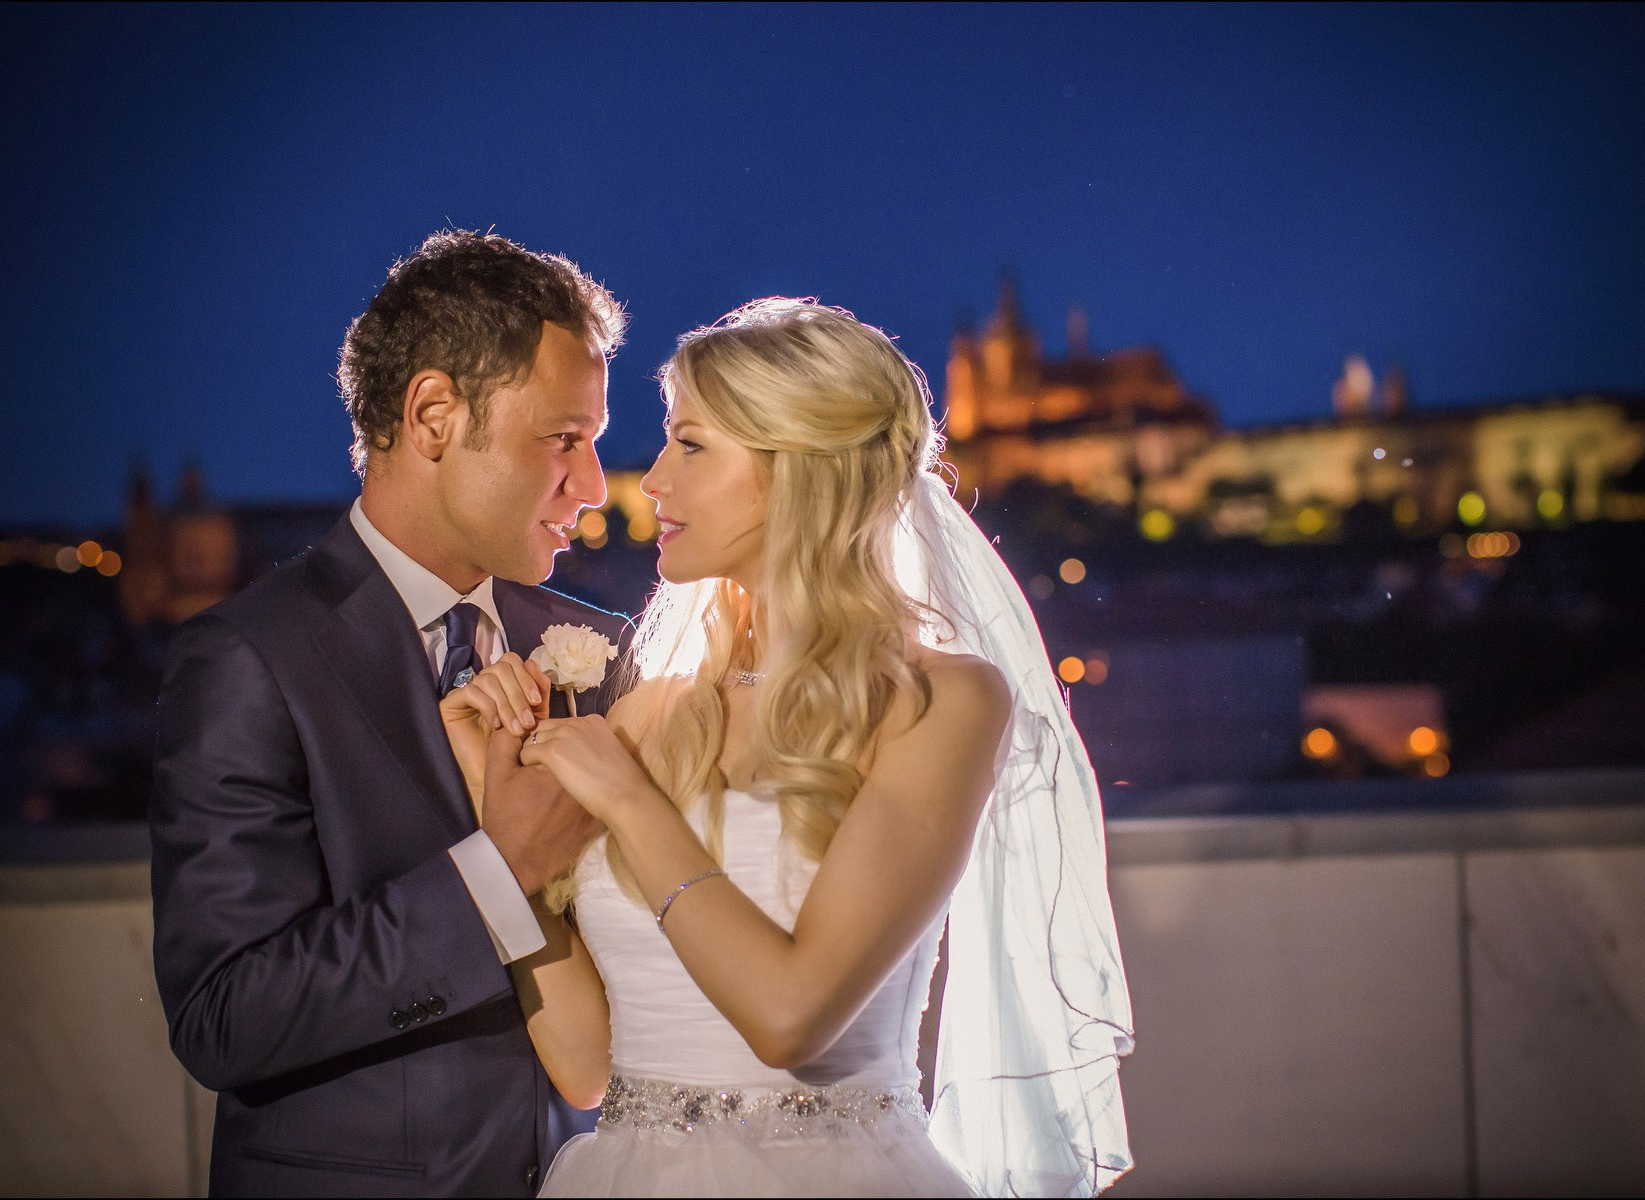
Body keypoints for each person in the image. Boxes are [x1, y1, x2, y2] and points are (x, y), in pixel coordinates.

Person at [440, 299, 1134, 1197]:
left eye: (691, 446)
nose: (652, 481)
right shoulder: (651, 715)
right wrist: (489, 803)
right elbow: (585, 1065)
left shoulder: (941, 703)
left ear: (797, 471)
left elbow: (789, 1018)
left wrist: (631, 802)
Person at [150, 230, 631, 1196]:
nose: (590, 488)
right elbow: (225, 1016)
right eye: (563, 439)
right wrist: (502, 875)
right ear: (434, 416)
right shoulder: (249, 658)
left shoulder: (602, 650)